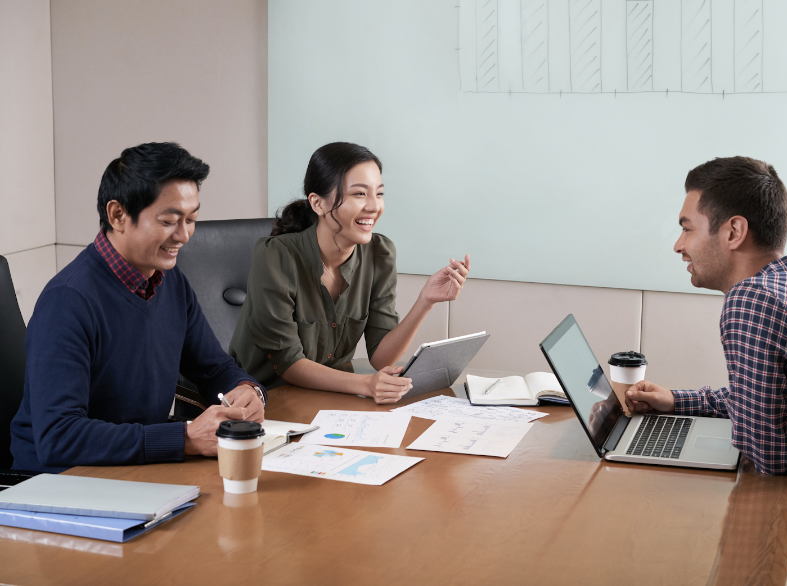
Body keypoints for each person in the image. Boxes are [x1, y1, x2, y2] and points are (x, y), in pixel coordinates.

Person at [624, 156, 787, 523]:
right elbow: (769, 405)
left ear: (734, 231)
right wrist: (677, 400)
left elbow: (770, 458)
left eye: (687, 229)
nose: (678, 245)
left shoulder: (752, 301)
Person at [10, 142, 266, 473]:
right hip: (64, 482)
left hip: (139, 467)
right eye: (170, 221)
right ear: (118, 215)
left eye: (192, 219)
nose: (185, 235)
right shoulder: (67, 301)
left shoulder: (169, 281)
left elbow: (214, 368)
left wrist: (248, 390)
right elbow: (59, 438)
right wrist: (185, 438)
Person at [229, 142, 470, 404]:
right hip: (263, 402)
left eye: (379, 194)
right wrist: (367, 384)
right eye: (359, 194)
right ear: (318, 203)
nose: (374, 206)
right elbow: (289, 363)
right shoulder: (275, 255)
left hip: (329, 399)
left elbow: (381, 358)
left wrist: (425, 301)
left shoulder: (380, 253)